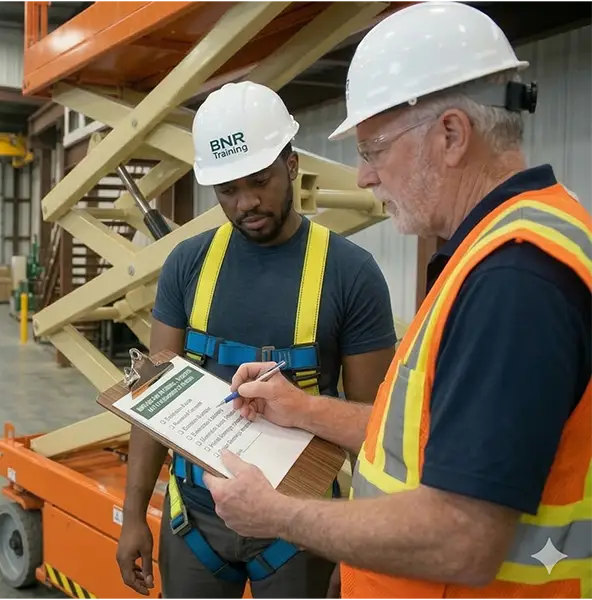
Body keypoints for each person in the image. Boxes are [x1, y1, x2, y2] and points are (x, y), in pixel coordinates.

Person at [206, 3, 592, 600]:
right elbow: (424, 437)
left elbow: (460, 537)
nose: (363, 177)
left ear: (451, 135)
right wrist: (301, 409)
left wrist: (277, 514)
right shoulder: (501, 250)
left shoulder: (515, 279)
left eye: (374, 149)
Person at [115, 80, 398, 600]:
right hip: (196, 521)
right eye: (227, 191)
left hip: (300, 525)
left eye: (260, 180)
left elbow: (375, 427)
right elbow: (152, 396)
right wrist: (134, 515)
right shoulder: (188, 266)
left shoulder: (348, 273)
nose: (247, 202)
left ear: (291, 163)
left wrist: (360, 546)